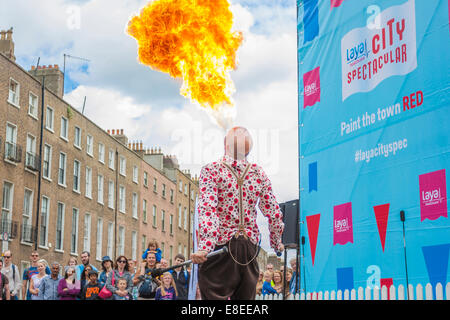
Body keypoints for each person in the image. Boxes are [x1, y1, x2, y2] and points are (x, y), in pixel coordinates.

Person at [191, 126, 285, 300]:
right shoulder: (258, 173)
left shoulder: (212, 170)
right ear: (249, 149)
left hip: (221, 248)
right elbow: (273, 211)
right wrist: (276, 241)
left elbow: (208, 209)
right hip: (249, 249)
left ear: (225, 145)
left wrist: (205, 246)